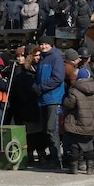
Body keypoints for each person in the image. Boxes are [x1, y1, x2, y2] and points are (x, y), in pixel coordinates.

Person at [62, 68, 94, 174]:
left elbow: (69, 105)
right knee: (89, 145)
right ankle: (90, 168)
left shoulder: (74, 90)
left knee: (74, 145)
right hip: (92, 125)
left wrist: (65, 100)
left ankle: (73, 168)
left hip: (76, 124)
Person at [34, 36, 65, 168]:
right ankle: (52, 156)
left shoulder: (55, 58)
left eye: (46, 44)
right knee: (46, 130)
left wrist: (41, 88)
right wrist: (34, 85)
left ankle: (57, 159)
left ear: (51, 45)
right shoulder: (42, 58)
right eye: (41, 44)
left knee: (52, 130)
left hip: (53, 98)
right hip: (43, 99)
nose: (44, 46)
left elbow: (58, 78)